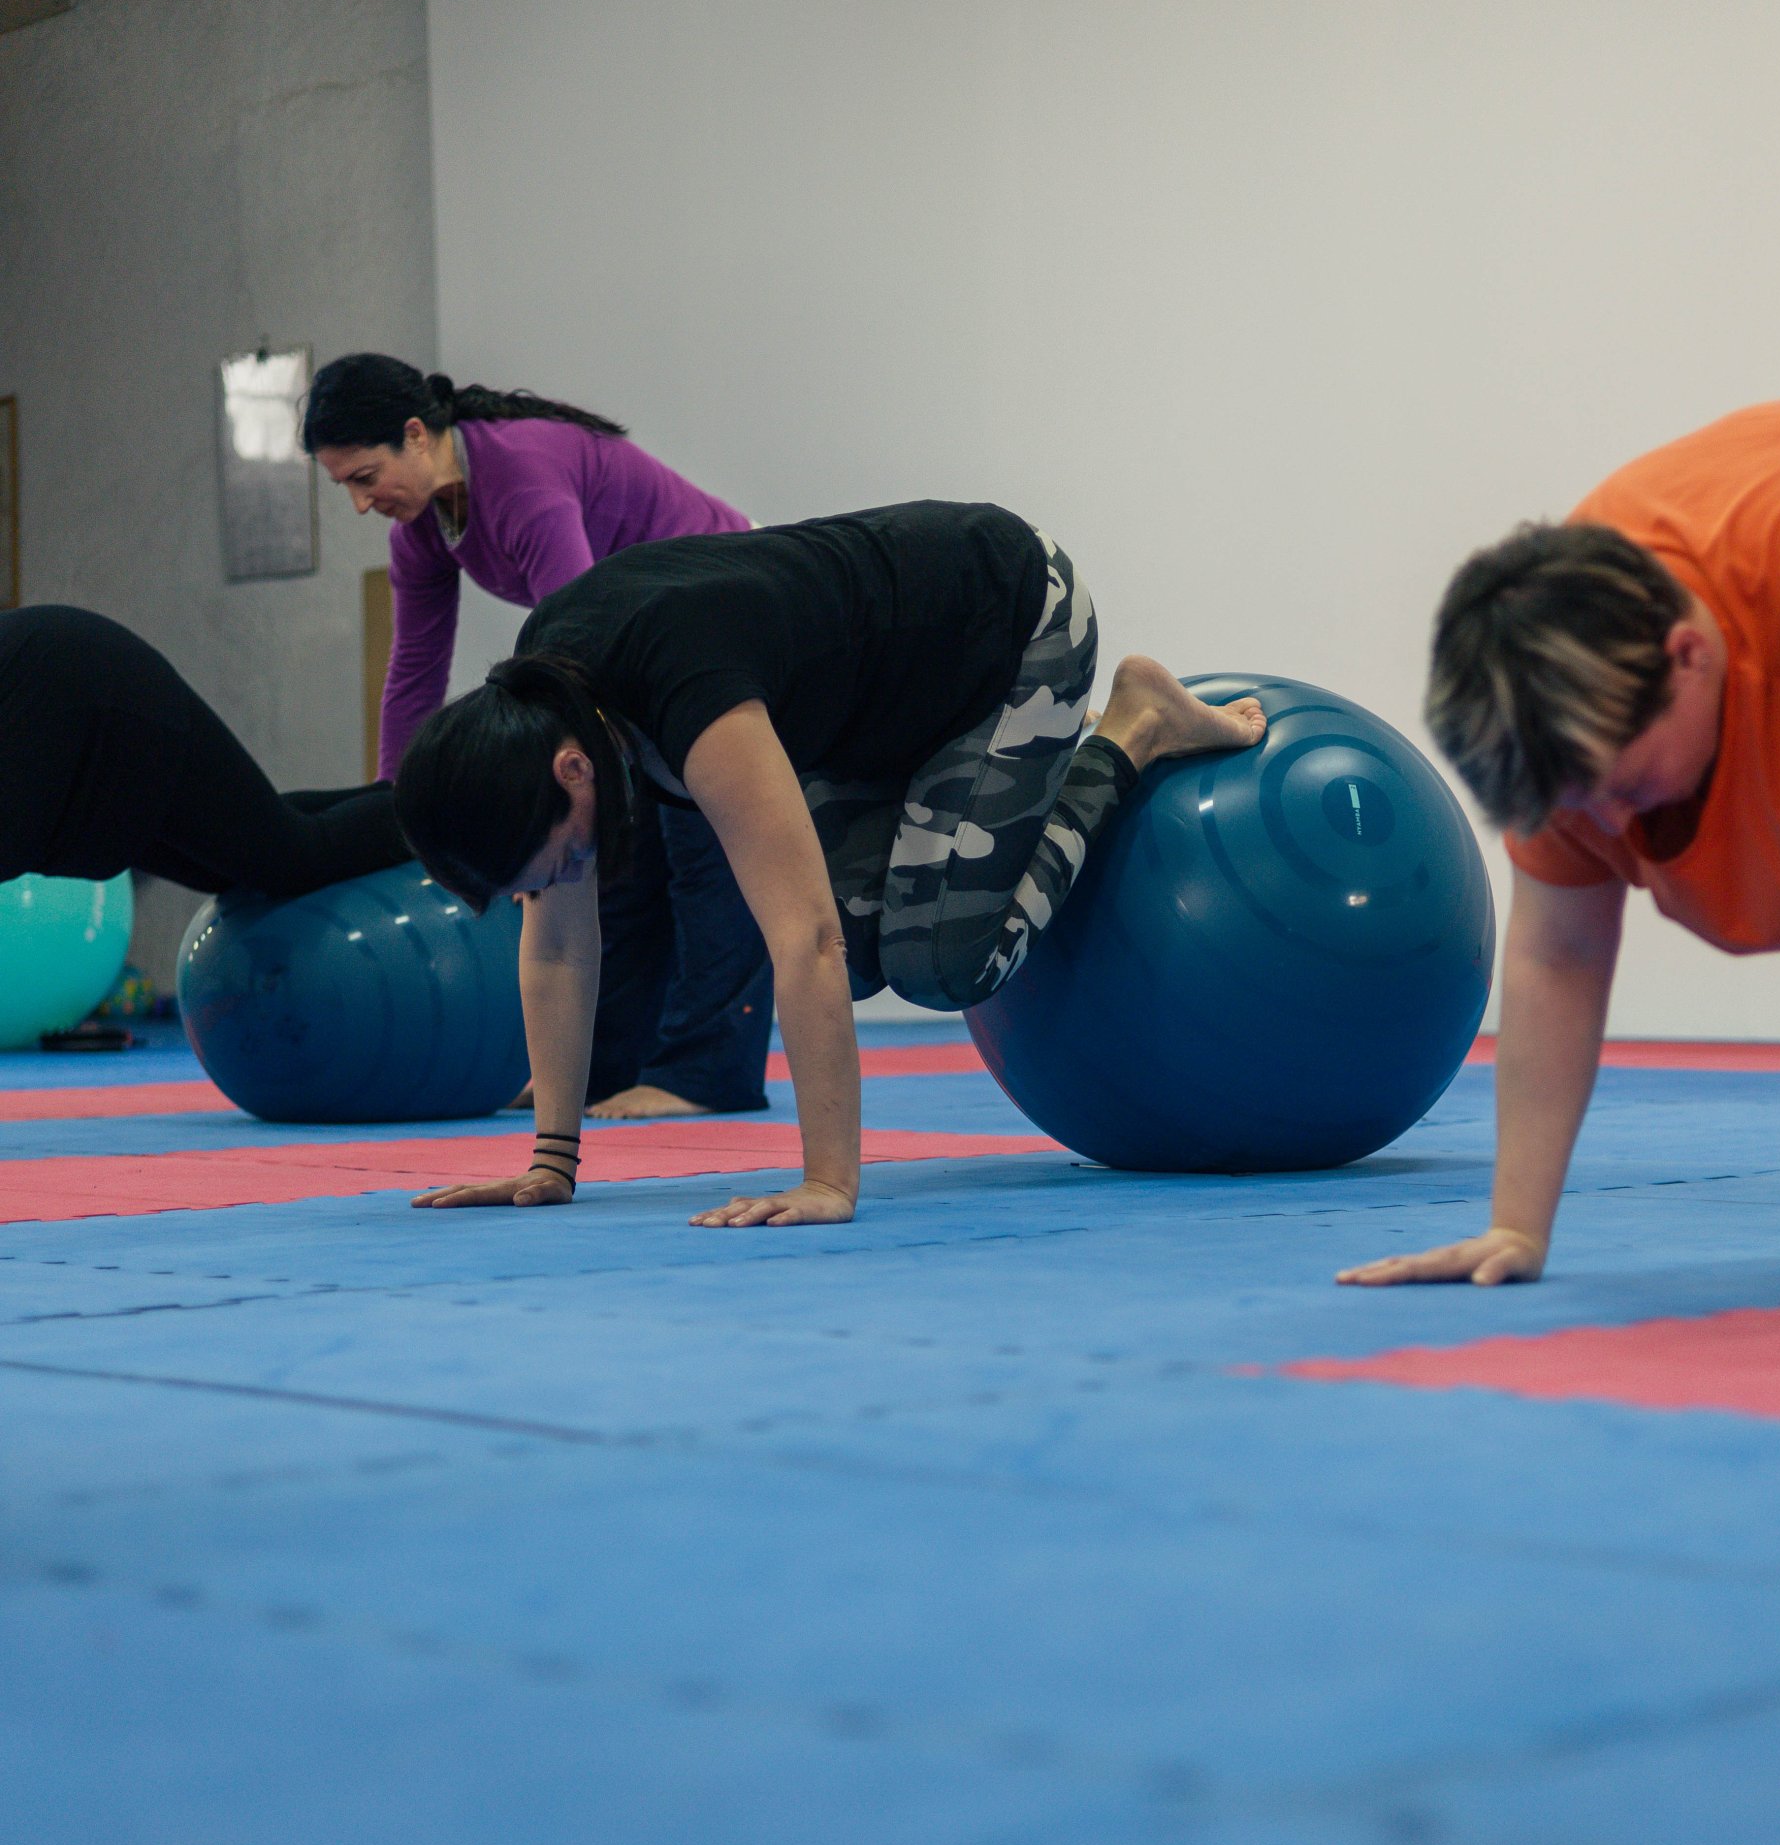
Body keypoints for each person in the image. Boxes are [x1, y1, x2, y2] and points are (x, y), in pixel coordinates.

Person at [1341, 356, 1780, 1332]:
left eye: (1626, 787)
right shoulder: (1553, 690)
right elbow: (1558, 953)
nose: (1618, 834)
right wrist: (1515, 1226)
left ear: (1689, 655)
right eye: (1581, 809)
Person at [392, 502, 1265, 1228]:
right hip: (879, 710)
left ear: (570, 772)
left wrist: (828, 1183)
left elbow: (802, 941)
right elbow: (556, 948)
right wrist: (550, 1166)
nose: (554, 887)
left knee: (946, 961)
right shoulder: (549, 707)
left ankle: (1135, 728)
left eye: (548, 865)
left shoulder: (688, 698)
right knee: (858, 948)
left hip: (1011, 626)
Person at [302, 353, 768, 1121]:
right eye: (343, 487)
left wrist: (537, 788)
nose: (359, 503)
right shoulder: (422, 528)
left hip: (722, 612)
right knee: (613, 860)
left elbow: (575, 641)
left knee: (701, 853)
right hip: (642, 639)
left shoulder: (519, 474)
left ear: (416, 435)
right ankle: (602, 1069)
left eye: (362, 477)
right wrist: (401, 809)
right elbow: (414, 669)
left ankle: (706, 1075)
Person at [0, 605, 408, 894]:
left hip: (82, 688)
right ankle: (401, 796)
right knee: (232, 867)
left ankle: (440, 801)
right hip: (60, 706)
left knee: (294, 860)